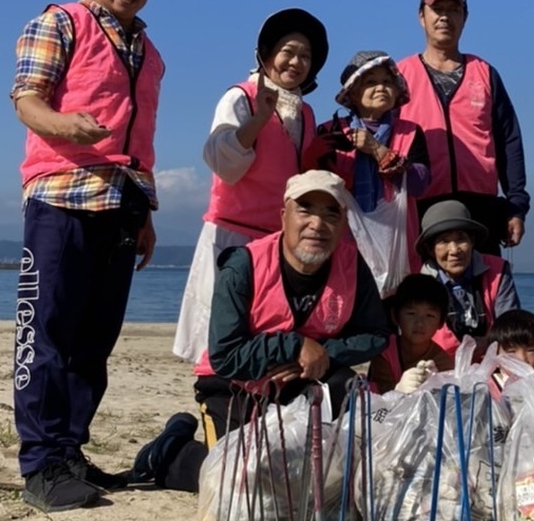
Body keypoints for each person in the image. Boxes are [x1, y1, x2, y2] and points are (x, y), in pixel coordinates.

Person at [8, 0, 169, 512]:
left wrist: (146, 212)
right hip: (62, 194)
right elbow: (26, 97)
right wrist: (64, 125)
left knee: (94, 341)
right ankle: (41, 463)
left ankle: (69, 450)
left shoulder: (149, 51)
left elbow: (141, 139)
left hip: (123, 201)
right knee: (47, 334)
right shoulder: (60, 23)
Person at [132, 170, 391, 492]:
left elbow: (376, 333)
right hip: (235, 385)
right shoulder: (243, 265)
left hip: (304, 381)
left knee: (331, 461)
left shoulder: (352, 265)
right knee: (240, 479)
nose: (317, 224)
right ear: (284, 216)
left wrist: (322, 354)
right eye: (305, 209)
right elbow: (225, 355)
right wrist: (294, 346)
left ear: (343, 224)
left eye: (331, 214)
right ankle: (171, 451)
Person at [172, 8, 328, 363]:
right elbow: (221, 160)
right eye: (288, 51)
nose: (296, 62)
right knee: (220, 335)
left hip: (278, 239)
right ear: (267, 54)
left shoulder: (305, 114)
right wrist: (258, 119)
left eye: (306, 56)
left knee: (263, 332)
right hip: (232, 236)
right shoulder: (240, 97)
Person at [396, 0, 530, 255]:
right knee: (423, 283)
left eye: (453, 10)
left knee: (488, 280)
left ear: (465, 18)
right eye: (437, 9)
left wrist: (516, 205)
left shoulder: (485, 73)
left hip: (481, 208)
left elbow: (509, 141)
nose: (445, 17)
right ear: (421, 16)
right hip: (421, 206)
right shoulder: (399, 77)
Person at [310, 50, 431, 285]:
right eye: (371, 82)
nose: (381, 87)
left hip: (398, 244)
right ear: (353, 93)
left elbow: (420, 184)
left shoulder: (411, 132)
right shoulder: (330, 131)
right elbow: (315, 182)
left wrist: (377, 150)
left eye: (387, 82)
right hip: (341, 240)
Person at [417, 200, 520, 358]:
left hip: (491, 361)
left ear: (472, 241)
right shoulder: (419, 284)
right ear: (430, 249)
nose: (454, 250)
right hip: (437, 363)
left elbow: (510, 326)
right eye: (444, 241)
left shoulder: (498, 271)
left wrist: (488, 342)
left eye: (461, 239)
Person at [367, 273, 454, 394]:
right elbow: (378, 394)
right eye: (411, 314)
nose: (420, 323)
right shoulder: (384, 351)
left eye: (429, 316)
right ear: (395, 316)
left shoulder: (443, 362)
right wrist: (398, 390)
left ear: (441, 322)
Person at [488, 309, 534, 389]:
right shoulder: (489, 390)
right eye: (511, 352)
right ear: (496, 357)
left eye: (530, 350)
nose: (522, 359)